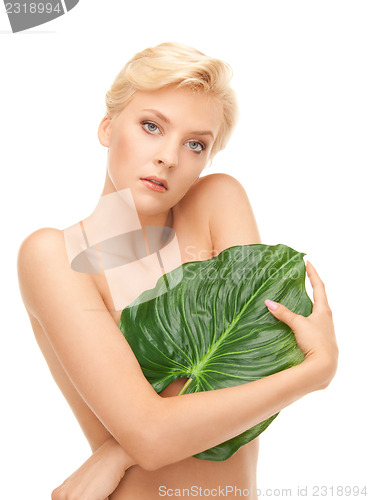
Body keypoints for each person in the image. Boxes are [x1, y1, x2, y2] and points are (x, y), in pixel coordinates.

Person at [17, 42, 338, 499]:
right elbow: (152, 438)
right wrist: (316, 371)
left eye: (195, 144)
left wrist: (118, 451)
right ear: (108, 127)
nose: (169, 156)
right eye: (151, 126)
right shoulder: (55, 256)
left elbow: (260, 361)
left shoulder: (216, 202)